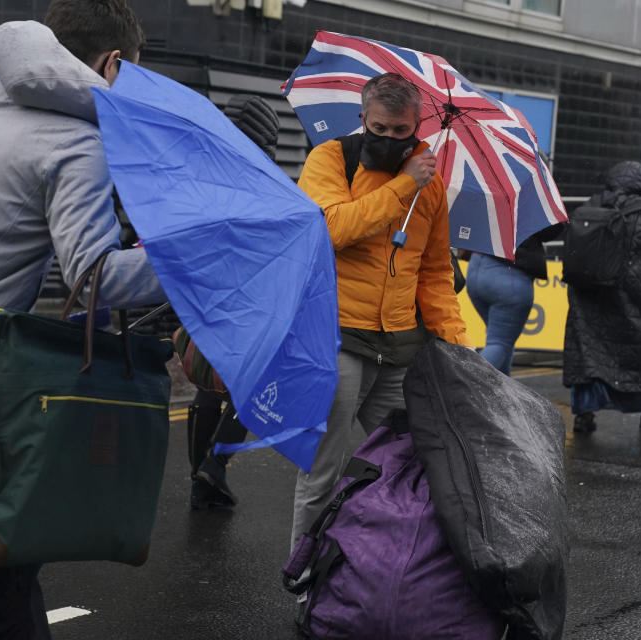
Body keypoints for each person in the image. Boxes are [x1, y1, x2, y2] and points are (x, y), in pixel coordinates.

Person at [0, 3, 163, 636]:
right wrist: (191, 263)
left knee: (0, 574)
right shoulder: (77, 138)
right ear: (112, 63)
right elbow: (94, 278)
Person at [293, 72, 468, 548]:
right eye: (380, 128)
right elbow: (332, 229)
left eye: (401, 132)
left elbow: (434, 272)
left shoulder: (430, 183)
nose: (390, 139)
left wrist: (456, 342)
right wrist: (403, 186)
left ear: (417, 128)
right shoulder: (330, 158)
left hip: (400, 345)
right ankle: (303, 575)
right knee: (322, 472)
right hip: (338, 337)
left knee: (410, 465)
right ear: (362, 119)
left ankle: (378, 571)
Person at [187, 94, 280, 510]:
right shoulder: (268, 181)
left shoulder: (205, 169)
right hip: (250, 297)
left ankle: (200, 479)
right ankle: (215, 465)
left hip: (203, 291)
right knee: (253, 384)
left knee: (207, 383)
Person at [563, 161, 641, 433]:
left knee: (589, 352)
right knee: (639, 350)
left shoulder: (588, 207)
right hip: (631, 295)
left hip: (587, 293)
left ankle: (585, 413)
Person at [465, 237, 545, 375]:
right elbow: (554, 229)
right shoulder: (531, 215)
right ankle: (466, 385)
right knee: (499, 343)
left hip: (476, 266)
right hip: (508, 275)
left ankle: (501, 393)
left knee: (501, 341)